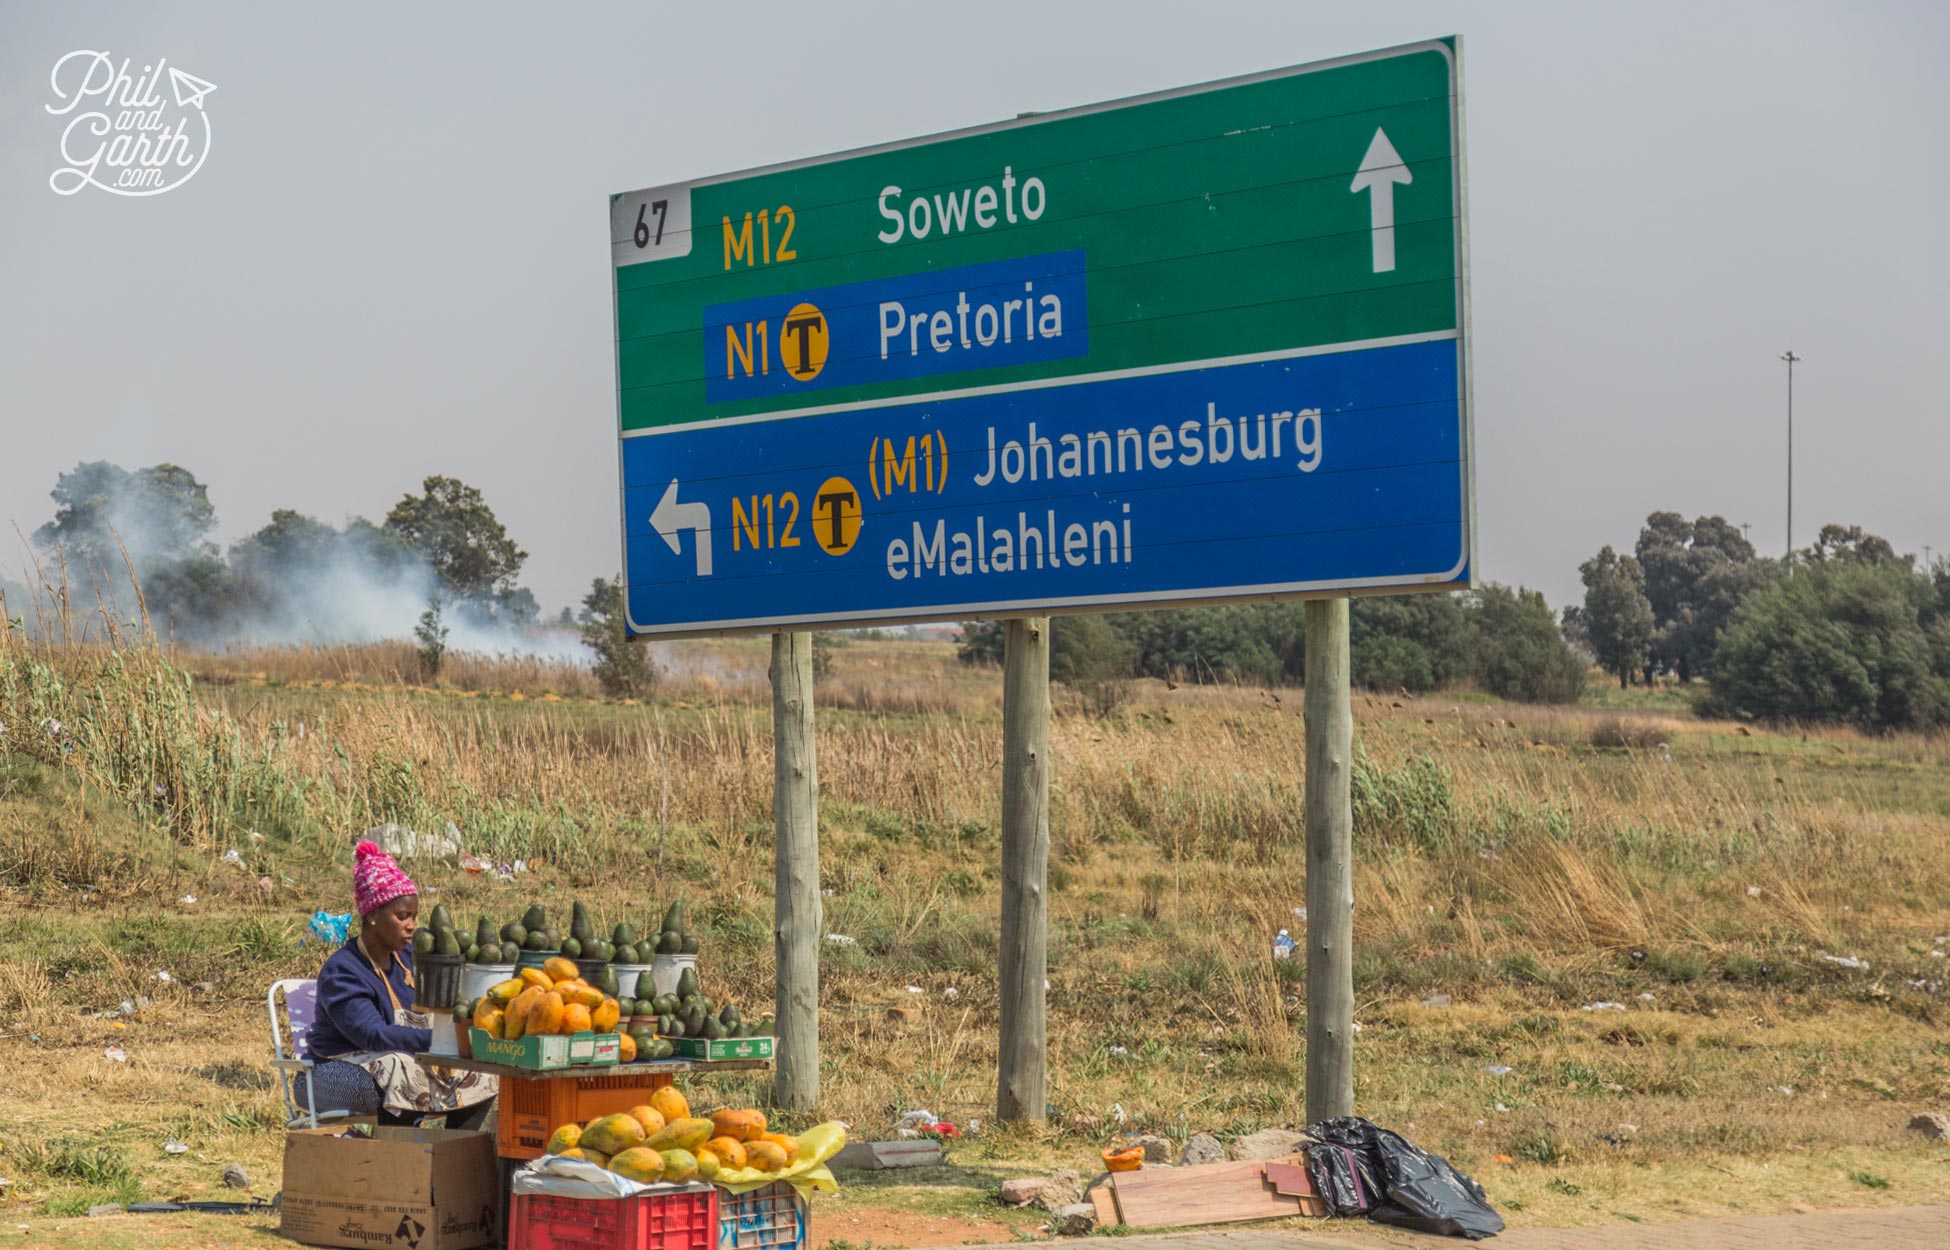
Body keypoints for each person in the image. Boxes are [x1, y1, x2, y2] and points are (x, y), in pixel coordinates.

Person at [300, 840, 496, 1127]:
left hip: (398, 1060)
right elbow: (373, 1035)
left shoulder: (411, 958)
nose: (411, 925)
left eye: (414, 917)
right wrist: (440, 1042)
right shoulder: (342, 971)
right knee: (398, 1066)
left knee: (483, 1073)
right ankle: (398, 1156)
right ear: (373, 916)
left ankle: (453, 1150)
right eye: (402, 916)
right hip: (331, 1074)